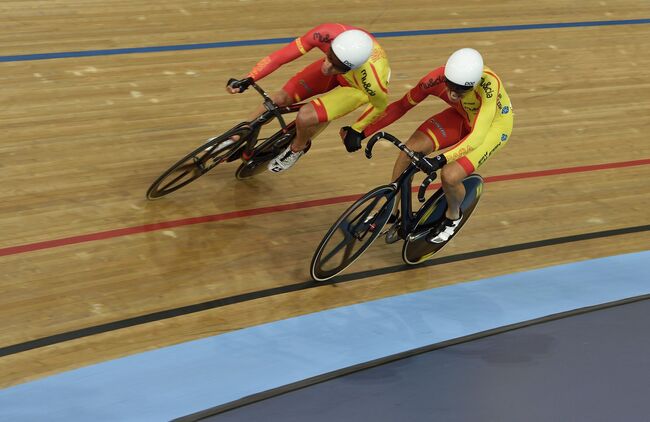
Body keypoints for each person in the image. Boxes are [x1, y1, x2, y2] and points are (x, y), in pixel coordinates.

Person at [359, 48, 514, 243]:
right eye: (451, 85)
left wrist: (441, 159)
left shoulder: (490, 86)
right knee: (409, 152)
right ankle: (392, 210)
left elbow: (477, 136)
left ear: (474, 84)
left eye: (462, 89)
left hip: (492, 128)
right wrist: (362, 131)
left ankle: (453, 216)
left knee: (449, 176)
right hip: (462, 116)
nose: (454, 93)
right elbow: (401, 106)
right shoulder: (434, 79)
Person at [226, 23, 391, 173]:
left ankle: (297, 148)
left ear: (351, 66)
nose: (327, 66)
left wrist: (356, 129)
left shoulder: (373, 81)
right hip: (345, 67)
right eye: (329, 57)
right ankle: (237, 135)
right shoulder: (326, 33)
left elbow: (379, 106)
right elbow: (282, 56)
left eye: (336, 65)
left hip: (356, 88)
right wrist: (250, 78)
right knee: (279, 99)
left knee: (305, 116)